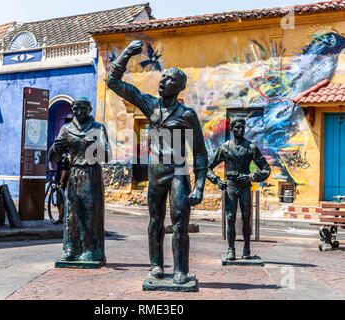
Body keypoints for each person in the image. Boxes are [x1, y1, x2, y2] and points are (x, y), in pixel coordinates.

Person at [107, 40, 208, 284]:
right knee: (154, 222)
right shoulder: (149, 104)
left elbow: (200, 152)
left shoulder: (187, 115)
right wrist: (127, 53)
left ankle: (181, 270)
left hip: (179, 172)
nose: (162, 82)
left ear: (180, 86)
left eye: (169, 79)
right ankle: (157, 267)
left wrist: (199, 186)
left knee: (180, 222)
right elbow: (113, 83)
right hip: (156, 172)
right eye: (162, 78)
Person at [49, 97, 111, 264]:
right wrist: (56, 147)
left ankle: (90, 249)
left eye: (83, 108)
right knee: (71, 212)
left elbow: (107, 155)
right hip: (74, 173)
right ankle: (71, 248)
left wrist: (97, 145)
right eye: (76, 108)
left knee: (89, 213)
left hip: (91, 174)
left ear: (89, 110)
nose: (79, 112)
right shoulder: (66, 129)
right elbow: (53, 156)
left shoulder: (98, 128)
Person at [207, 118, 271, 261]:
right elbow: (207, 167)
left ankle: (246, 248)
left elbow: (266, 169)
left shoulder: (251, 148)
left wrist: (251, 176)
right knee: (230, 218)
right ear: (232, 129)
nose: (240, 130)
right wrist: (217, 180)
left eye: (242, 127)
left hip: (245, 188)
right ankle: (231, 249)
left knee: (246, 218)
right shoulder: (225, 148)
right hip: (230, 187)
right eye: (237, 127)